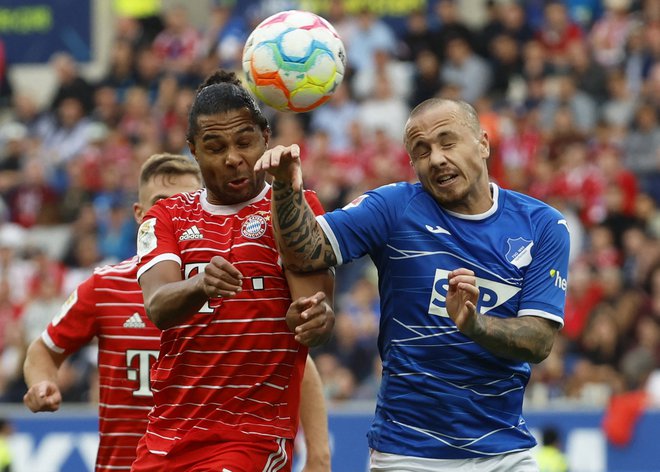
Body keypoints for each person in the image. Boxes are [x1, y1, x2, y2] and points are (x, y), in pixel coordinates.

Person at [257, 97, 571, 470]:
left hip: (504, 452)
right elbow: (305, 253)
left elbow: (539, 340)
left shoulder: (542, 226)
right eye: (421, 151)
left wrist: (474, 324)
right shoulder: (394, 208)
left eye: (447, 142)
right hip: (406, 453)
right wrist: (285, 190)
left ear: (483, 143)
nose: (436, 158)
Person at [23, 153, 332, 471]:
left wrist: (319, 455)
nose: (173, 212)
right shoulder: (105, 287)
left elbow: (296, 363)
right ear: (140, 214)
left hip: (212, 455)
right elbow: (43, 352)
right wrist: (41, 384)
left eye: (184, 201)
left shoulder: (232, 279)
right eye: (160, 203)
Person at [132, 71, 334, 471]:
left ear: (265, 136)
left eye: (244, 142)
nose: (232, 158)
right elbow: (158, 305)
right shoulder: (166, 216)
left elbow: (315, 312)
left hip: (251, 435)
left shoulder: (295, 204)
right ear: (193, 150)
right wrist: (200, 285)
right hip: (166, 437)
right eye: (215, 146)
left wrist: (312, 317)